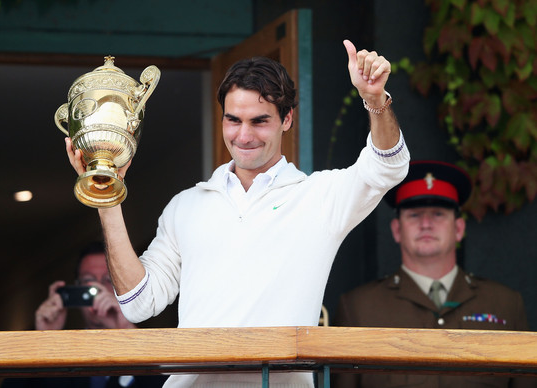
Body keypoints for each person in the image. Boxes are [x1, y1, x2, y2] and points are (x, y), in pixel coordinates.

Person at [65, 40, 410, 388]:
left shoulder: (319, 197)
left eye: (259, 121)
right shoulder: (186, 205)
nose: (244, 136)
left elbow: (387, 167)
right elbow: (139, 304)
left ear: (286, 119)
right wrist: (107, 197)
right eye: (233, 120)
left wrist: (376, 100)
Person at [334, 160, 535, 388]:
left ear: (459, 229)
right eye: (415, 215)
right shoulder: (359, 308)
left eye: (438, 214)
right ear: (397, 230)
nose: (426, 224)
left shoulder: (504, 304)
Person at [3, 242, 168, 388]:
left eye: (109, 280)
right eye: (88, 282)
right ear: (77, 288)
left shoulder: (154, 345)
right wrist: (43, 340)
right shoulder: (63, 355)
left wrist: (127, 329)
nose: (97, 289)